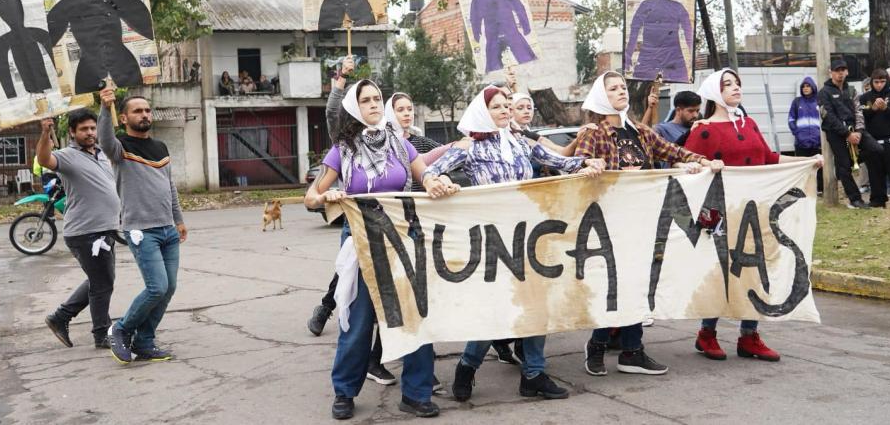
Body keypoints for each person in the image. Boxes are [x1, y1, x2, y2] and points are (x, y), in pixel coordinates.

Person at [423, 86, 604, 403]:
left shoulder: (522, 144)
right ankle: (468, 365)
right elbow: (430, 172)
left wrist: (588, 164)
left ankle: (533, 374)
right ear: (483, 112)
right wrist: (438, 182)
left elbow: (562, 162)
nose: (506, 110)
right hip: (493, 241)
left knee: (536, 305)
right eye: (497, 106)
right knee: (497, 310)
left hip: (530, 237)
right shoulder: (469, 148)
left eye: (508, 105)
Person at [304, 78, 457, 419]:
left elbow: (425, 175)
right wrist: (326, 195)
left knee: (414, 317)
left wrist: (436, 182)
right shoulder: (342, 150)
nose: (374, 104)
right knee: (359, 323)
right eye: (366, 100)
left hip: (404, 241)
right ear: (354, 108)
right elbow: (310, 196)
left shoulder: (401, 145)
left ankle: (416, 394)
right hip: (361, 244)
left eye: (377, 99)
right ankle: (344, 392)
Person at [574, 71, 722, 377]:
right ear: (602, 96)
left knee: (638, 287)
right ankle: (597, 345)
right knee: (612, 289)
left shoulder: (640, 132)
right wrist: (588, 164)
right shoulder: (594, 133)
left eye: (623, 87)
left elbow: (672, 151)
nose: (621, 92)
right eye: (613, 88)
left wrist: (702, 161)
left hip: (642, 222)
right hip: (608, 223)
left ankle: (632, 351)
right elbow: (578, 162)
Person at [684, 68, 823, 362]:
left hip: (756, 209)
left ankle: (749, 336)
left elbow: (770, 158)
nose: (735, 88)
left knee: (756, 270)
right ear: (713, 91)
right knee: (722, 273)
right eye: (728, 84)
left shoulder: (749, 124)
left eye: (737, 83)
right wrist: (703, 168)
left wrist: (807, 162)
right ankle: (706, 333)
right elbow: (688, 166)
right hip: (722, 214)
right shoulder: (702, 129)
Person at [99, 89, 187, 364]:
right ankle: (121, 329)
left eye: (147, 110)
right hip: (140, 229)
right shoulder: (120, 148)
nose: (145, 114)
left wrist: (179, 219)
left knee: (168, 287)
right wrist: (104, 107)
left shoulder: (160, 148)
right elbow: (104, 138)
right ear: (124, 118)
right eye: (138, 111)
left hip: (167, 229)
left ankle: (145, 341)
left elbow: (169, 185)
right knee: (156, 287)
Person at [37, 109, 121, 350]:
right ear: (72, 132)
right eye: (84, 129)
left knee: (102, 280)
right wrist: (45, 133)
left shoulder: (102, 154)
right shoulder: (66, 156)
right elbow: (44, 159)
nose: (90, 133)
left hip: (106, 230)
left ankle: (60, 317)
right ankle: (101, 334)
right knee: (102, 283)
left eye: (92, 128)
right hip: (86, 232)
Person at [818, 59, 869, 209]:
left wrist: (859, 131)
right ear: (831, 72)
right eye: (836, 70)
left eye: (842, 70)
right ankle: (855, 199)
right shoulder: (824, 92)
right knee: (844, 166)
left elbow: (859, 111)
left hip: (855, 131)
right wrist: (847, 134)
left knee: (876, 150)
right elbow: (828, 116)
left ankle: (857, 163)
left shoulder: (852, 90)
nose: (840, 73)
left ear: (847, 71)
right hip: (836, 133)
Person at [859, 69, 890, 209]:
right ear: (871, 82)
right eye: (876, 82)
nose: (879, 85)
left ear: (887, 81)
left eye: (882, 81)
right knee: (875, 173)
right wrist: (872, 109)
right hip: (873, 142)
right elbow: (861, 117)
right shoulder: (865, 97)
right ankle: (878, 199)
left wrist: (886, 109)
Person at [788, 77, 823, 193]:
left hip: (817, 142)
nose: (805, 88)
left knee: (818, 166)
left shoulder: (819, 101)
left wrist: (820, 136)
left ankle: (820, 189)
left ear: (813, 87)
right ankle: (803, 188)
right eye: (803, 86)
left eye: (808, 86)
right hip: (801, 142)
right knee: (803, 166)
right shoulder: (797, 102)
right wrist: (797, 133)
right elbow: (791, 119)